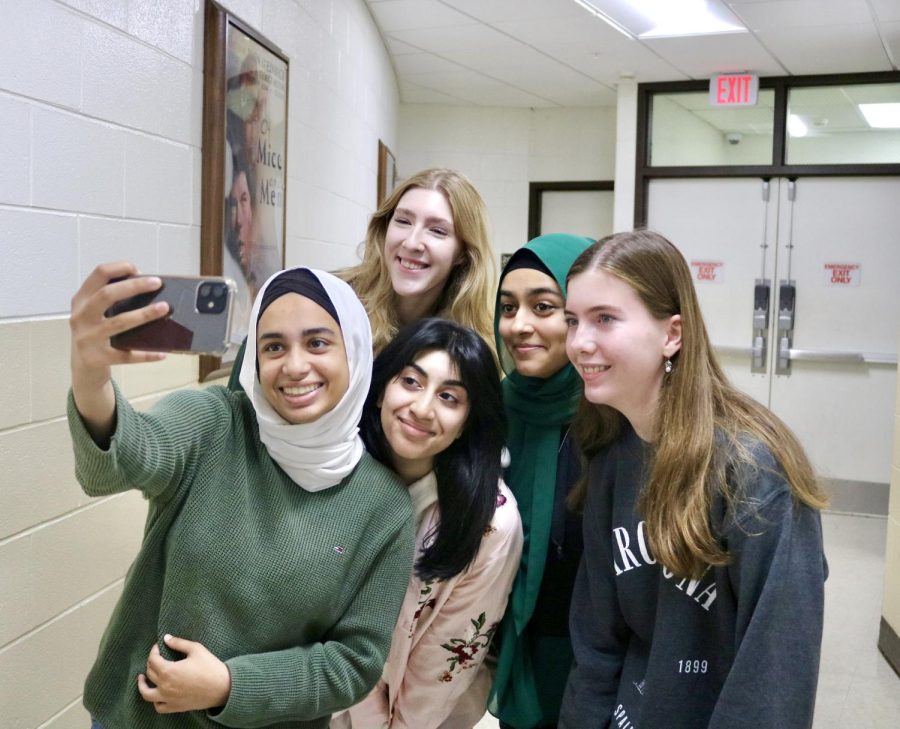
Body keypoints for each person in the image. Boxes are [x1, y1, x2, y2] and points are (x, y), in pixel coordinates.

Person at [68, 263, 415, 727]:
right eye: (273, 346)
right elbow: (123, 459)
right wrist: (89, 375)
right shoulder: (214, 423)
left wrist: (230, 685)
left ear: (353, 350)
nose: (294, 366)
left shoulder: (383, 506)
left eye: (317, 342)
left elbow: (354, 663)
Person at [559, 230, 828, 729]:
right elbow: (597, 641)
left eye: (605, 319)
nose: (578, 342)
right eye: (572, 320)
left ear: (673, 334)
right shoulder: (609, 453)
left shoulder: (753, 471)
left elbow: (773, 680)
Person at [333, 318, 523, 729]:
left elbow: (441, 669)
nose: (422, 408)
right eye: (411, 382)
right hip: (327, 703)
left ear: (468, 422)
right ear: (381, 389)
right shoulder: (336, 472)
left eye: (449, 398)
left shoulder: (491, 521)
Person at [228, 167, 497, 389]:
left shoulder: (471, 342)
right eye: (403, 221)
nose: (412, 242)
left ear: (463, 253)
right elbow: (250, 371)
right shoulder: (327, 301)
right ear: (384, 228)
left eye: (437, 231)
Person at [487, 234, 595, 729]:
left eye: (543, 306)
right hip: (512, 651)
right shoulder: (486, 410)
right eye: (508, 307)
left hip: (597, 662)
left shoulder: (614, 415)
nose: (519, 325)